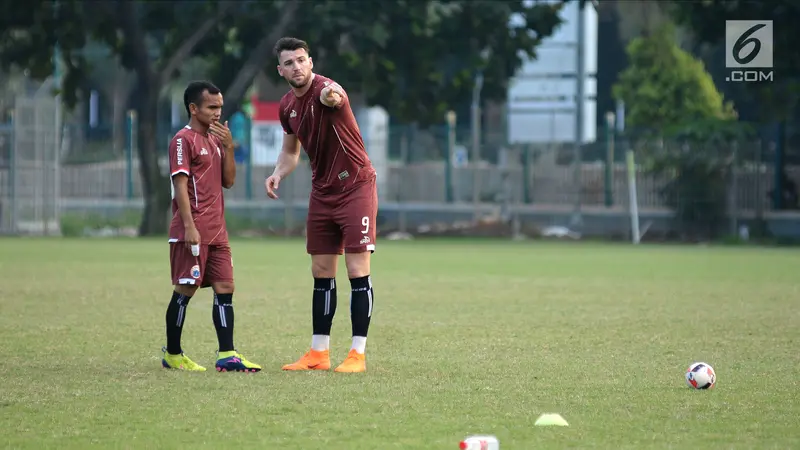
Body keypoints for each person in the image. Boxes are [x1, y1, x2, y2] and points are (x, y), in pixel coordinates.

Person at [265, 37, 377, 373]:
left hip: (356, 186)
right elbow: (290, 152)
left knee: (357, 270)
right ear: (280, 70)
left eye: (301, 60)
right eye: (290, 63)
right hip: (323, 191)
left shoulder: (327, 90)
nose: (297, 67)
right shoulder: (287, 106)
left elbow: (335, 96)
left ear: (310, 62)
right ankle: (319, 353)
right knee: (321, 272)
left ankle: (357, 354)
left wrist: (333, 96)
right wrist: (277, 174)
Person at [162, 80, 262, 373]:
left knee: (225, 287)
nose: (218, 112)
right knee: (185, 289)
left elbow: (228, 181)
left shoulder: (217, 140)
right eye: (211, 107)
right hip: (192, 229)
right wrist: (189, 227)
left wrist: (229, 146)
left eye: (220, 107)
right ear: (194, 108)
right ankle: (173, 354)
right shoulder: (183, 140)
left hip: (218, 230)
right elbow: (179, 185)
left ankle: (227, 354)